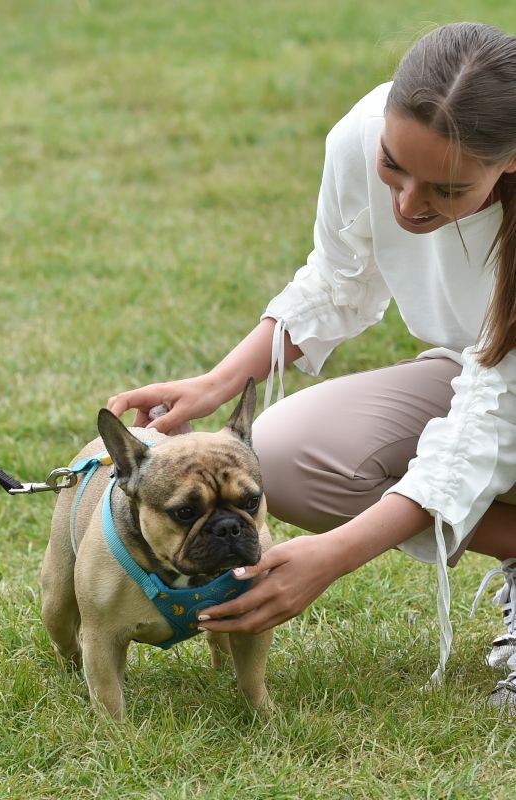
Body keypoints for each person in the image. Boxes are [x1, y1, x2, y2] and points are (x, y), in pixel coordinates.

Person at [108, 22, 516, 710]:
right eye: (393, 165)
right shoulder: (361, 132)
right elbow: (337, 275)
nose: (407, 204)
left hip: (500, 392)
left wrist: (334, 556)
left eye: (445, 190)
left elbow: (490, 421)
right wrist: (218, 380)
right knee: (288, 453)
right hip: (475, 370)